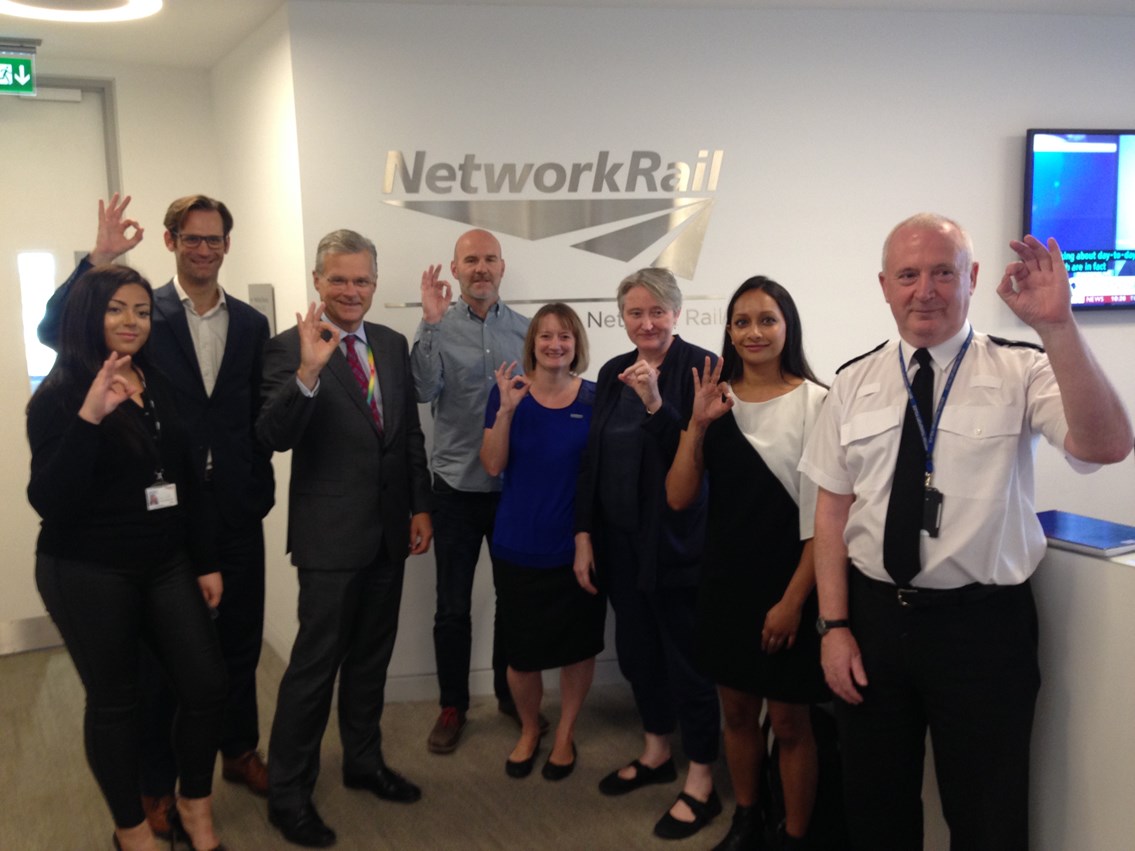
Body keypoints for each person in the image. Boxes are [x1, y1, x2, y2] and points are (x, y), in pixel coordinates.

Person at [798, 213, 1133, 850]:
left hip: (983, 631)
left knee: (987, 816)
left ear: (972, 278)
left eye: (942, 272)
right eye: (908, 275)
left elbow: (1109, 444)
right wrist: (834, 628)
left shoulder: (1024, 369)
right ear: (884, 285)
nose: (924, 289)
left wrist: (1058, 325)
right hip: (872, 622)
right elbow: (832, 513)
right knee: (874, 807)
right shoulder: (852, 382)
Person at [38, 193, 275, 834]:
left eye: (214, 239)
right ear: (170, 242)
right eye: (192, 238)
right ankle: (154, 787)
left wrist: (255, 479)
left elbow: (254, 408)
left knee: (236, 645)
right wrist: (98, 260)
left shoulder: (251, 324)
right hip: (141, 533)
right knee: (155, 668)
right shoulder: (139, 306)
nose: (204, 249)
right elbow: (57, 328)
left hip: (226, 509)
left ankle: (239, 749)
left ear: (228, 244)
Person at [27, 264, 228, 851]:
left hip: (164, 560)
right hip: (86, 568)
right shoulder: (61, 395)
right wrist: (91, 417)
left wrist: (206, 559)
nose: (131, 321)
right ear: (90, 315)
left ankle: (194, 804)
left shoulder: (157, 379)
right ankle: (132, 831)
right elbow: (50, 500)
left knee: (206, 684)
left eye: (141, 310)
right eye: (116, 308)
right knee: (117, 703)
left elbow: (188, 477)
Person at [258, 229, 432, 849]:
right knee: (313, 669)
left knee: (369, 661)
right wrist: (309, 370)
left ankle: (363, 762)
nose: (351, 290)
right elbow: (274, 434)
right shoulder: (288, 348)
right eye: (339, 279)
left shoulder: (388, 342)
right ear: (317, 282)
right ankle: (288, 794)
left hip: (388, 532)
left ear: (375, 284)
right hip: (329, 540)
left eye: (361, 280)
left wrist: (419, 506)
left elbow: (407, 432)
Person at [667, 277, 828, 850]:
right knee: (736, 714)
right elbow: (679, 496)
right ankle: (748, 818)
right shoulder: (716, 398)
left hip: (791, 587)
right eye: (741, 321)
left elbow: (824, 522)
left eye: (766, 319)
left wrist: (791, 603)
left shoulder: (817, 401)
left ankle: (794, 834)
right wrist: (698, 424)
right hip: (726, 583)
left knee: (789, 723)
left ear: (788, 327)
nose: (754, 332)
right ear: (728, 331)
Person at [575, 267, 722, 840]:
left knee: (688, 663)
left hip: (678, 547)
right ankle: (658, 751)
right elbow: (592, 460)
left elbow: (699, 461)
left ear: (677, 313)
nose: (647, 323)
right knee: (638, 656)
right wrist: (583, 534)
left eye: (658, 311)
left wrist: (659, 406)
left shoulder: (703, 367)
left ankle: (703, 780)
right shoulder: (613, 371)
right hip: (619, 545)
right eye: (636, 313)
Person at [411, 229, 532, 754]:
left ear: (502, 268)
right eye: (470, 261)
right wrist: (432, 326)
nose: (481, 268)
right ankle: (452, 705)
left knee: (514, 598)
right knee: (451, 607)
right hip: (456, 488)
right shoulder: (436, 326)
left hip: (512, 488)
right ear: (455, 270)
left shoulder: (529, 333)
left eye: (489, 260)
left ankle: (510, 695)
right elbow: (421, 390)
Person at [479, 303, 604, 781]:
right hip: (518, 544)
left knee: (577, 648)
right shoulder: (507, 394)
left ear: (577, 344)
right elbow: (492, 466)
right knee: (522, 656)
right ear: (532, 342)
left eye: (565, 336)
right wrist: (507, 413)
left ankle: (566, 732)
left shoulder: (595, 399)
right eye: (546, 336)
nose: (555, 344)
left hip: (579, 547)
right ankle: (530, 729)